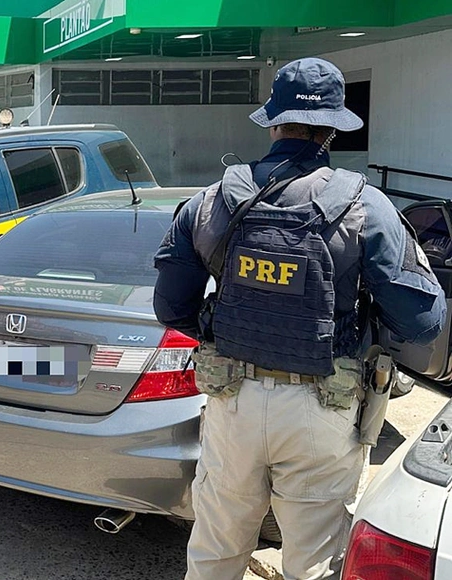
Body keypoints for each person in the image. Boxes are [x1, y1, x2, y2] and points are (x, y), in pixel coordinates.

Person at [153, 57, 447, 579]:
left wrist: (231, 326)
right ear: (333, 127)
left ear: (273, 121)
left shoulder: (211, 201)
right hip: (322, 405)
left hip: (231, 402)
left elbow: (171, 309)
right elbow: (423, 321)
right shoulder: (367, 206)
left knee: (216, 547)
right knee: (313, 561)